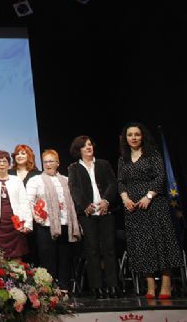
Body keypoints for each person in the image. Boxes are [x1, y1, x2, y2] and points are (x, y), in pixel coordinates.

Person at [117, 122, 184, 299]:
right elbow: (121, 182)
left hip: (154, 205)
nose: (133, 138)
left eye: (137, 134)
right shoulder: (123, 158)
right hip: (133, 209)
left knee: (160, 242)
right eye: (130, 134)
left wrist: (148, 196)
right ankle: (150, 286)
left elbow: (160, 177)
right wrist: (125, 199)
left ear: (142, 136)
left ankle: (166, 284)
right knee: (141, 246)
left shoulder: (152, 154)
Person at [68, 135, 119, 299]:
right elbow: (74, 188)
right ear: (79, 150)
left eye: (90, 144)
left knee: (109, 249)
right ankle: (97, 287)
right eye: (84, 146)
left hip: (105, 211)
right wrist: (84, 205)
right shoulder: (74, 168)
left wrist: (106, 201)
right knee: (92, 251)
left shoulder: (103, 164)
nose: (88, 147)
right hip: (88, 214)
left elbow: (113, 183)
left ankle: (113, 286)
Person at [26, 149, 81, 291]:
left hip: (65, 224)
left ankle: (63, 288)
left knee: (64, 259)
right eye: (45, 162)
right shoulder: (35, 180)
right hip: (45, 225)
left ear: (58, 163)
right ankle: (48, 290)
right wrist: (36, 217)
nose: (48, 164)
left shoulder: (66, 180)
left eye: (51, 161)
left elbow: (73, 201)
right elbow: (29, 202)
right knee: (47, 259)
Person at [0, 150, 32, 261]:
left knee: (17, 256)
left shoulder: (17, 180)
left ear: (9, 164)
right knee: (0, 258)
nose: (2, 164)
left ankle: (17, 278)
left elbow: (24, 202)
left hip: (16, 224)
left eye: (5, 161)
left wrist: (28, 223)